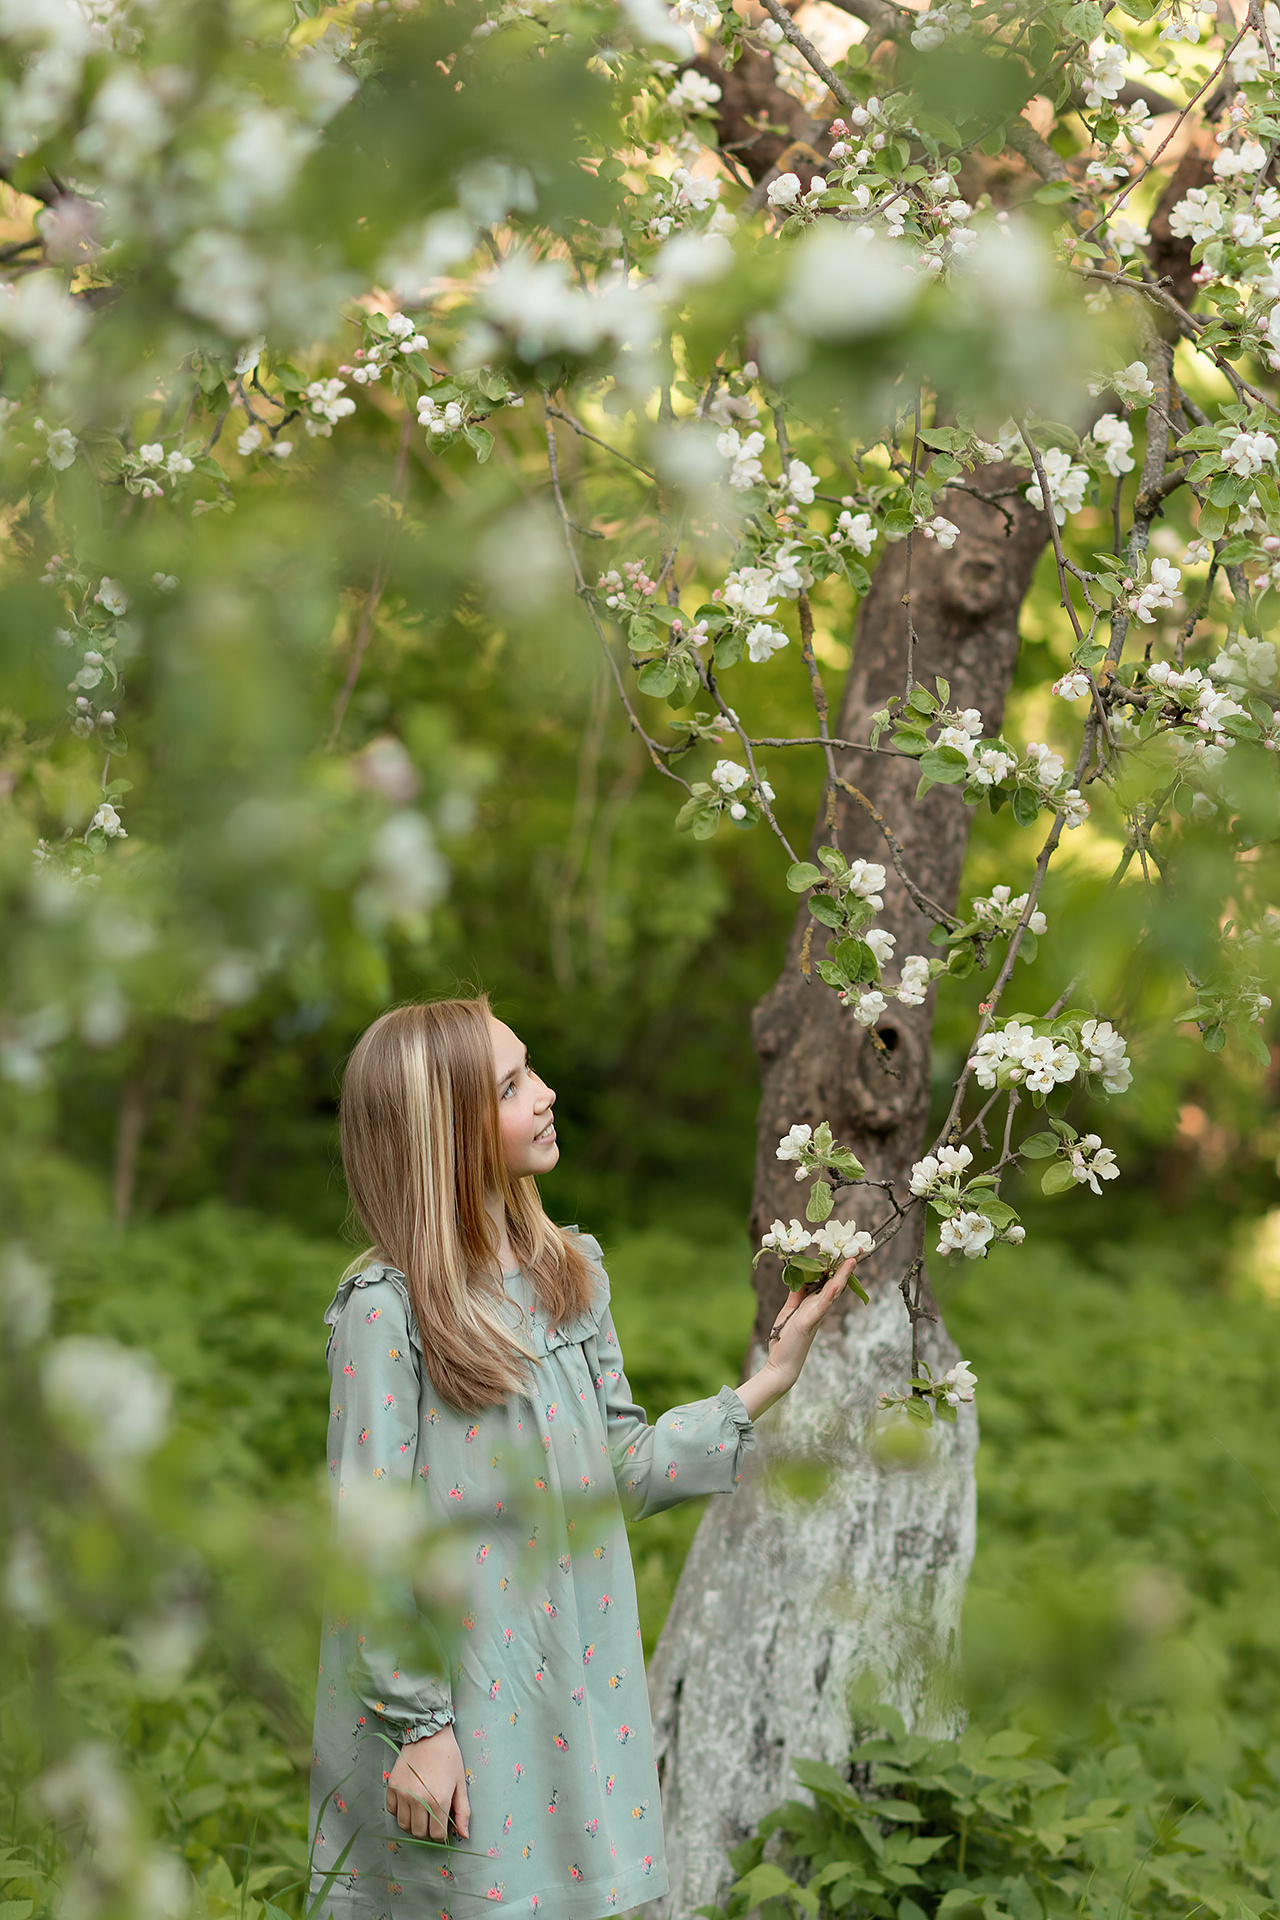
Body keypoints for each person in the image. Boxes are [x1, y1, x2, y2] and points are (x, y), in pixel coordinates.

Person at [309, 994, 853, 1919]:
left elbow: (617, 1472)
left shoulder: (571, 1272)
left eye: (532, 1068)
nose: (547, 1092)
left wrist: (768, 1380)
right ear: (444, 1132)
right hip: (450, 1713)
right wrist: (422, 1727)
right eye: (513, 1084)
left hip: (566, 1686)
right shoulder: (387, 1309)